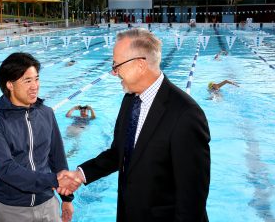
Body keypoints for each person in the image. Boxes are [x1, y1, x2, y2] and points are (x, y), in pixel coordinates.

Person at [58, 28, 211, 221]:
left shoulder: (186, 114)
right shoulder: (130, 100)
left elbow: (191, 200)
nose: (114, 72)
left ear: (140, 65)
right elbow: (119, 153)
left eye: (116, 65)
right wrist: (80, 174)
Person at [0, 52, 78, 222]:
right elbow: (7, 170)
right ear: (10, 85)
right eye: (27, 81)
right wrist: (53, 180)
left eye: (36, 79)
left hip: (48, 204)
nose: (35, 86)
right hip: (13, 210)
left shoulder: (46, 113)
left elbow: (57, 157)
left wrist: (66, 199)